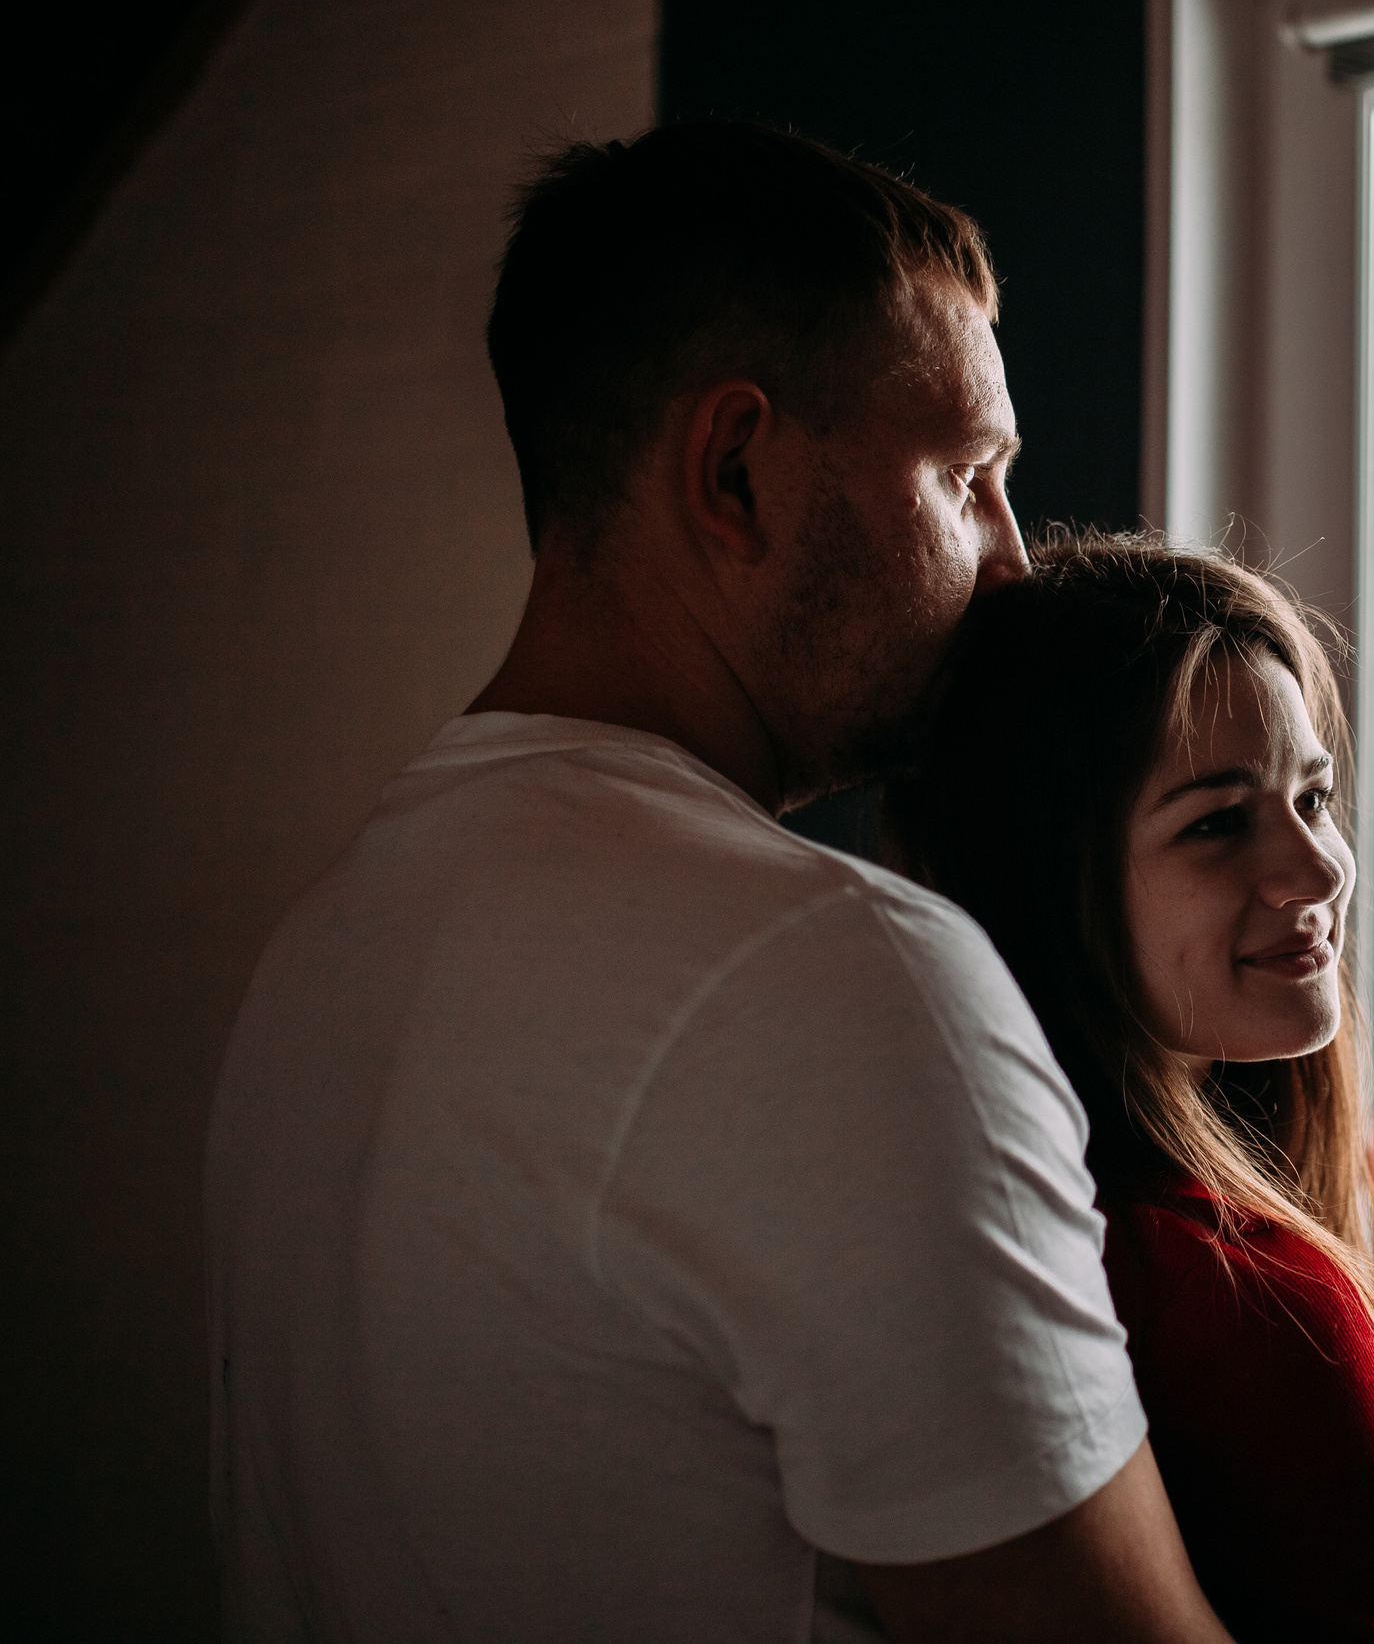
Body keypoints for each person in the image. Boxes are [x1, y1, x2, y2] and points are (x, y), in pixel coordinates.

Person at [203, 122, 1234, 1644]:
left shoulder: (319, 948)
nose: (1013, 561)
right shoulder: (844, 974)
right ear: (736, 469)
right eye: (969, 478)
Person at [889, 534, 1374, 1644]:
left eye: (1311, 798)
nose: (1316, 871)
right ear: (1046, 883)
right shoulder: (1235, 1293)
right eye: (1218, 823)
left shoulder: (1018, 1213)